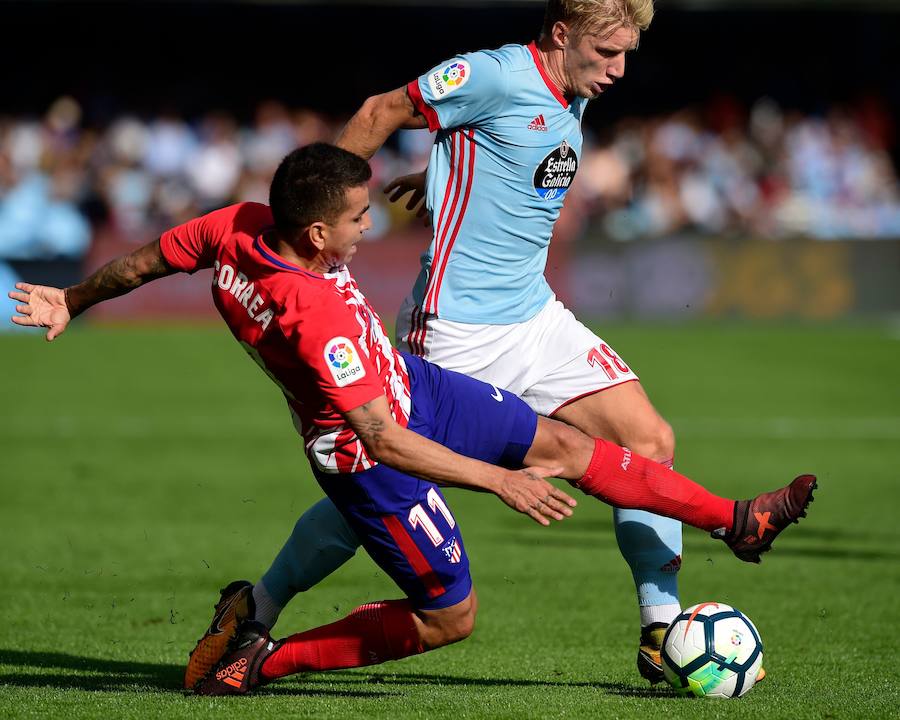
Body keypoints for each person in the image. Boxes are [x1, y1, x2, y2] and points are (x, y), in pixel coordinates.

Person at [10, 143, 815, 696]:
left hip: (415, 385)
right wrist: (499, 481)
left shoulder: (238, 226)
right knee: (448, 620)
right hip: (373, 459)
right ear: (318, 233)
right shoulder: (311, 313)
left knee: (573, 442)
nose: (371, 228)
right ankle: (263, 660)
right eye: (359, 219)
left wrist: (73, 299)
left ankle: (736, 521)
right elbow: (382, 439)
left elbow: (144, 260)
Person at [238, 0, 694, 685]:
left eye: (627, 54)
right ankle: (258, 607)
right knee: (380, 483)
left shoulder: (574, 84)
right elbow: (377, 113)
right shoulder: (491, 74)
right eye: (607, 54)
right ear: (562, 35)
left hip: (535, 316)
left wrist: (447, 177)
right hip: (454, 330)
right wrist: (300, 234)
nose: (619, 70)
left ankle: (662, 632)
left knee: (649, 441)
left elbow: (513, 151)